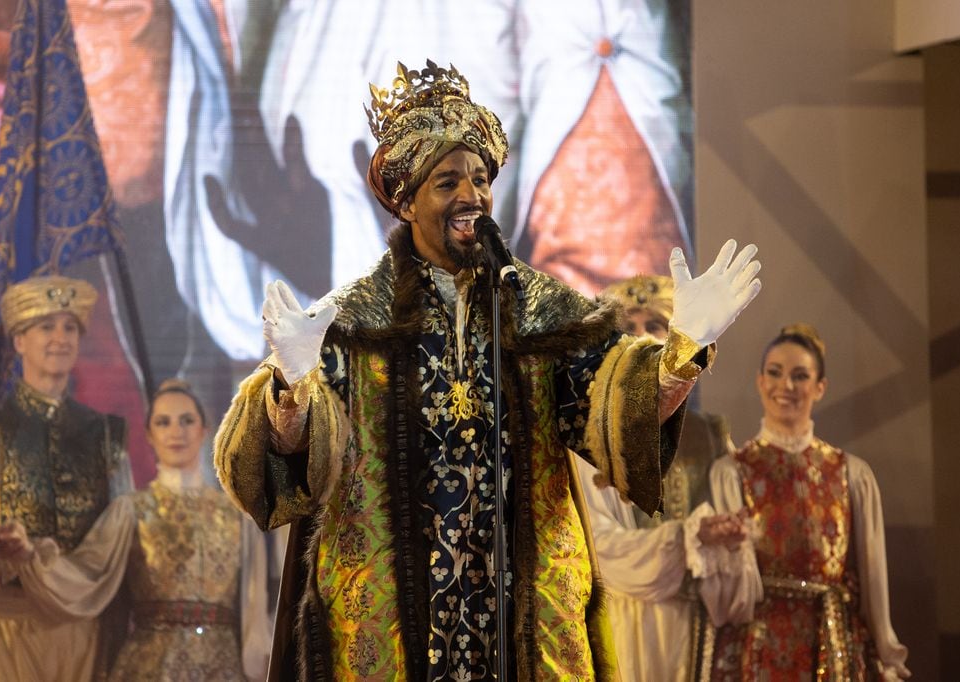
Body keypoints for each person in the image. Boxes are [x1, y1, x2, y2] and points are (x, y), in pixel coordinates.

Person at [214, 59, 762, 680]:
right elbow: (283, 469)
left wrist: (683, 352)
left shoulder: (539, 309)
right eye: (447, 182)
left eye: (480, 178)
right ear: (406, 199)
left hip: (522, 614)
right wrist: (289, 388)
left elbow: (616, 412)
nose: (471, 196)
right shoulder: (350, 322)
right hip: (392, 618)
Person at [574, 274, 758, 682]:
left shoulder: (711, 437)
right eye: (629, 329)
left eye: (656, 326)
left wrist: (726, 541)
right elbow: (601, 552)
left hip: (693, 631)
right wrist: (687, 539)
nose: (642, 338)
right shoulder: (588, 436)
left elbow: (736, 573)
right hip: (623, 626)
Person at [707, 324, 910, 680]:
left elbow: (872, 576)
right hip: (755, 647)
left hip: (833, 644)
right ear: (759, 381)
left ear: (820, 388)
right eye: (775, 373)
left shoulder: (852, 474)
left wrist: (885, 654)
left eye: (800, 376)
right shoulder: (731, 473)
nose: (785, 386)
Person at [0, 275, 132, 680]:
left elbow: (118, 536)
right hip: (6, 632)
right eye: (46, 326)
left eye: (69, 328)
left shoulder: (106, 433)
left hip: (86, 632)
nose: (60, 338)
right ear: (20, 341)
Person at [107, 379, 272, 680]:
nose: (176, 432)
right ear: (149, 434)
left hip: (220, 666)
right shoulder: (129, 510)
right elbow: (94, 580)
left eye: (186, 421)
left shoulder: (237, 515)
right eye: (163, 422)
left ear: (204, 430)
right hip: (147, 667)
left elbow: (255, 603)